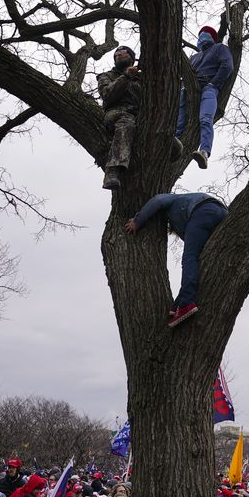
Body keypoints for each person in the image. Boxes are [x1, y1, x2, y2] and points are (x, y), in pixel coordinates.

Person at [125, 191, 228, 326]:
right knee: (197, 260)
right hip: (222, 213)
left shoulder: (173, 198)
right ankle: (179, 303)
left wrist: (137, 221)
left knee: (189, 259)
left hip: (203, 211)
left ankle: (186, 304)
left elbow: (157, 200)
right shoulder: (186, 211)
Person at [173, 26, 234, 169]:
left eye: (206, 34)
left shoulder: (220, 48)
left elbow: (227, 66)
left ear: (213, 37)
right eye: (200, 34)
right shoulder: (193, 57)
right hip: (187, 91)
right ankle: (173, 148)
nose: (202, 37)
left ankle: (204, 152)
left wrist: (214, 83)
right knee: (179, 122)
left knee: (206, 119)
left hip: (208, 88)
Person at [97, 45, 142, 190]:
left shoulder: (142, 78)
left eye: (123, 53)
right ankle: (112, 171)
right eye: (116, 53)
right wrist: (126, 77)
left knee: (175, 147)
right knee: (126, 123)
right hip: (117, 113)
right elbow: (107, 95)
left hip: (141, 117)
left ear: (132, 58)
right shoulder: (107, 76)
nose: (119, 54)